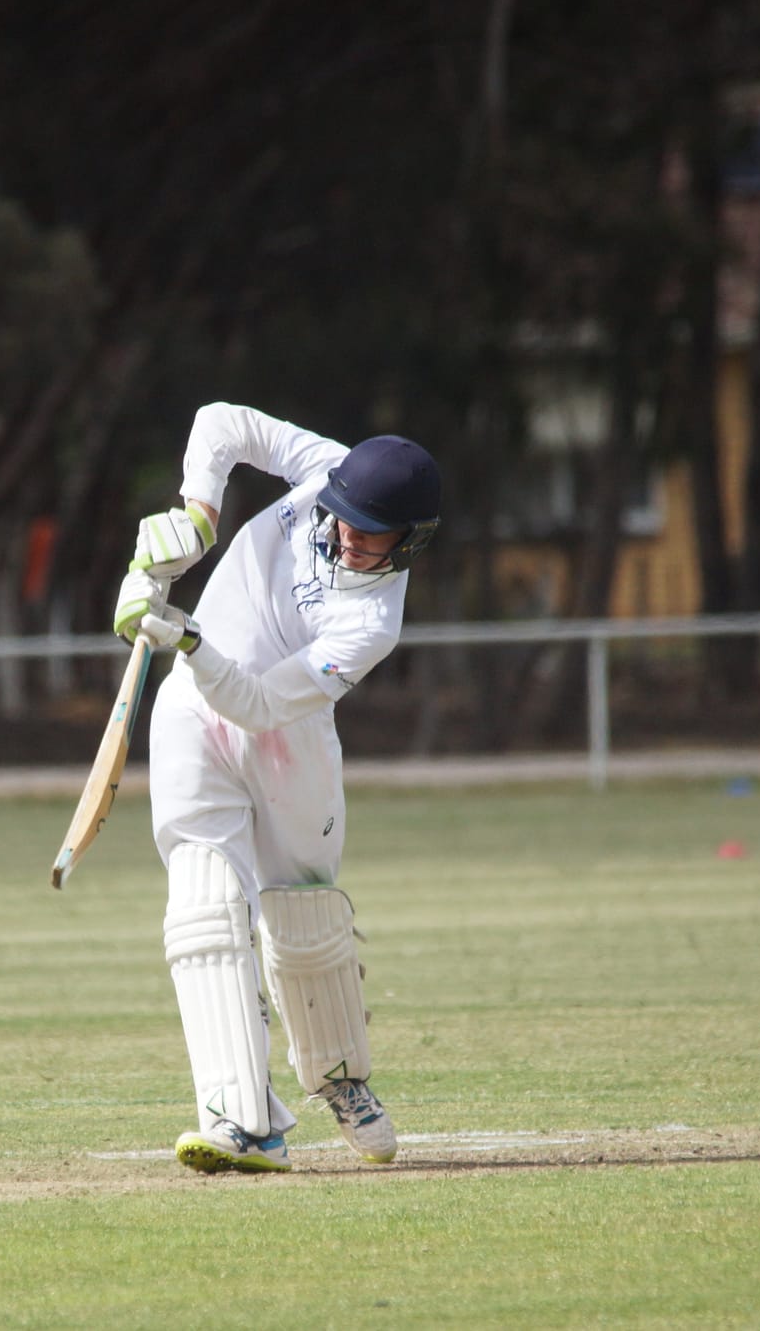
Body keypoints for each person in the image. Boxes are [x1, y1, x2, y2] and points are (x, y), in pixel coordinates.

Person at [111, 401, 441, 1174]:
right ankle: (241, 1121)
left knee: (300, 918)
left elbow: (259, 704)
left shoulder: (373, 623)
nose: (348, 533)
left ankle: (340, 1079)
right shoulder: (328, 469)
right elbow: (220, 421)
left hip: (281, 734)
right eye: (345, 516)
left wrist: (187, 639)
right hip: (192, 712)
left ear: (410, 540)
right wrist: (196, 514)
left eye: (370, 530)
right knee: (202, 906)